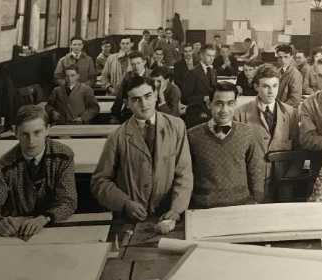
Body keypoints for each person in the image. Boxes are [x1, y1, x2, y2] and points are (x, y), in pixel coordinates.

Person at [91, 74, 193, 231]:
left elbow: (184, 173)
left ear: (156, 96)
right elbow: (100, 181)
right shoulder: (117, 136)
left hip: (168, 216)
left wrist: (176, 209)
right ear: (127, 104)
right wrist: (125, 203)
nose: (144, 104)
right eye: (136, 99)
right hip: (131, 219)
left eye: (148, 96)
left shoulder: (177, 126)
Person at [0, 105, 77, 238]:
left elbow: (68, 201)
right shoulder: (3, 166)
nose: (31, 141)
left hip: (52, 228)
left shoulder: (63, 156)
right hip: (16, 234)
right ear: (15, 132)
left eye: (37, 132)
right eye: (24, 134)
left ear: (47, 130)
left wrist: (43, 219)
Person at [187, 83, 266, 208]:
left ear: (235, 104)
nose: (224, 110)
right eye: (219, 103)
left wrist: (257, 200)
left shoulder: (248, 133)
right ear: (209, 104)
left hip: (241, 204)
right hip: (204, 206)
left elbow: (256, 170)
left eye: (230, 103)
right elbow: (186, 176)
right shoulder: (192, 135)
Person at [236, 65, 300, 199]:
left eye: (275, 86)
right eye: (266, 86)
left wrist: (290, 177)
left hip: (283, 183)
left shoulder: (290, 113)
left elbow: (297, 149)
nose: (271, 91)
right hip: (253, 183)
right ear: (256, 87)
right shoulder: (240, 114)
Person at [184, 44, 217, 127]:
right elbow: (185, 98)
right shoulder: (192, 73)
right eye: (209, 55)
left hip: (210, 112)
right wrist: (203, 98)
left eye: (213, 56)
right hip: (196, 113)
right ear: (201, 55)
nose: (211, 58)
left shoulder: (213, 71)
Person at [111, 52, 150, 121]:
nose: (136, 67)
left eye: (138, 63)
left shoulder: (151, 76)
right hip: (131, 111)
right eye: (133, 64)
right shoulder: (128, 76)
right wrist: (114, 115)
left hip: (148, 110)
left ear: (144, 62)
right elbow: (119, 97)